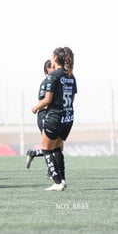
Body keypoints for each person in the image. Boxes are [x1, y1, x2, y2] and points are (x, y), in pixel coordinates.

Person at [31, 47, 76, 191]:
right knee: (57, 148)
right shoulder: (70, 75)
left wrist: (35, 108)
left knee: (46, 149)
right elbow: (72, 98)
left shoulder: (53, 76)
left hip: (55, 117)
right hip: (68, 117)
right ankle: (62, 179)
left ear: (55, 58)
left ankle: (57, 182)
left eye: (52, 55)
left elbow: (47, 100)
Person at [26, 59, 55, 170]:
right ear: (47, 69)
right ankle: (51, 172)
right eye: (51, 67)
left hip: (52, 117)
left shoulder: (55, 82)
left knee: (54, 147)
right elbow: (42, 102)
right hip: (44, 115)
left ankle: (33, 153)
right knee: (50, 146)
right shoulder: (46, 83)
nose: (54, 69)